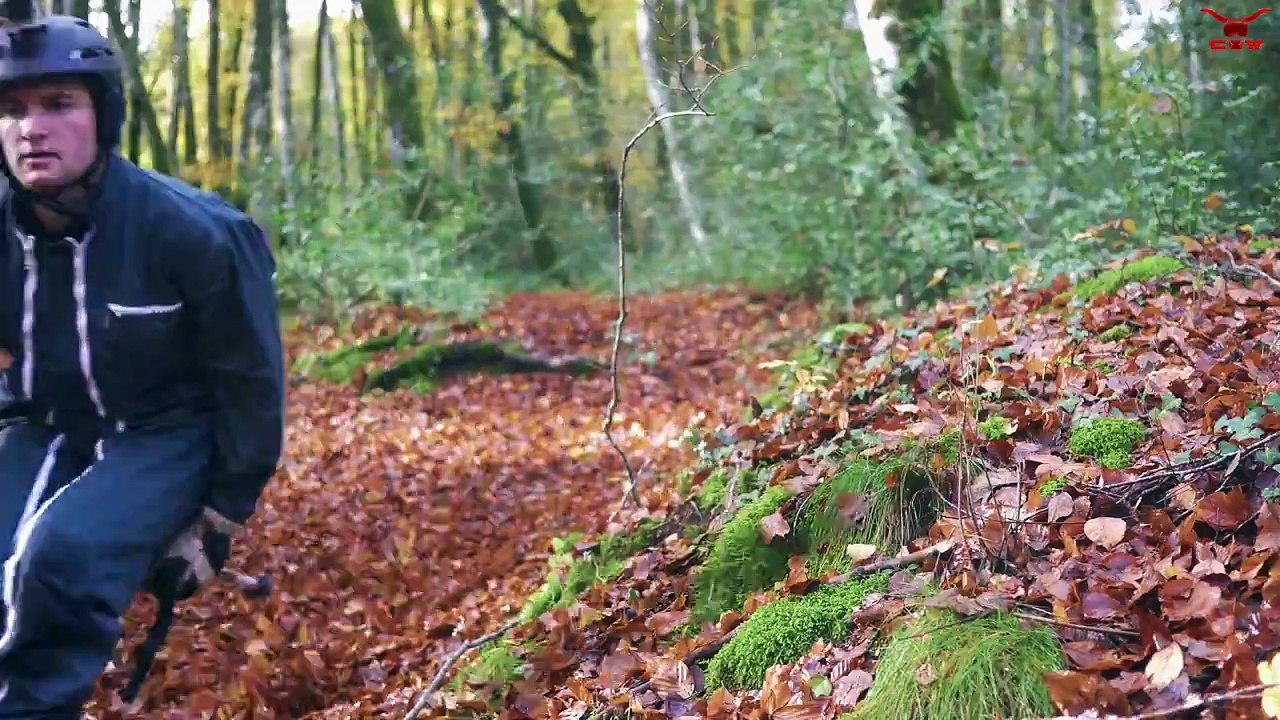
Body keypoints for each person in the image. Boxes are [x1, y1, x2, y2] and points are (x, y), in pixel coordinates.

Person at [0, 13, 285, 717]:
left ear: (103, 113)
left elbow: (251, 383)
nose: (31, 128)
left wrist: (220, 519)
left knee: (60, 556)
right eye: (9, 109)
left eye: (58, 104)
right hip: (44, 423)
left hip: (166, 432)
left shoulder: (195, 231)